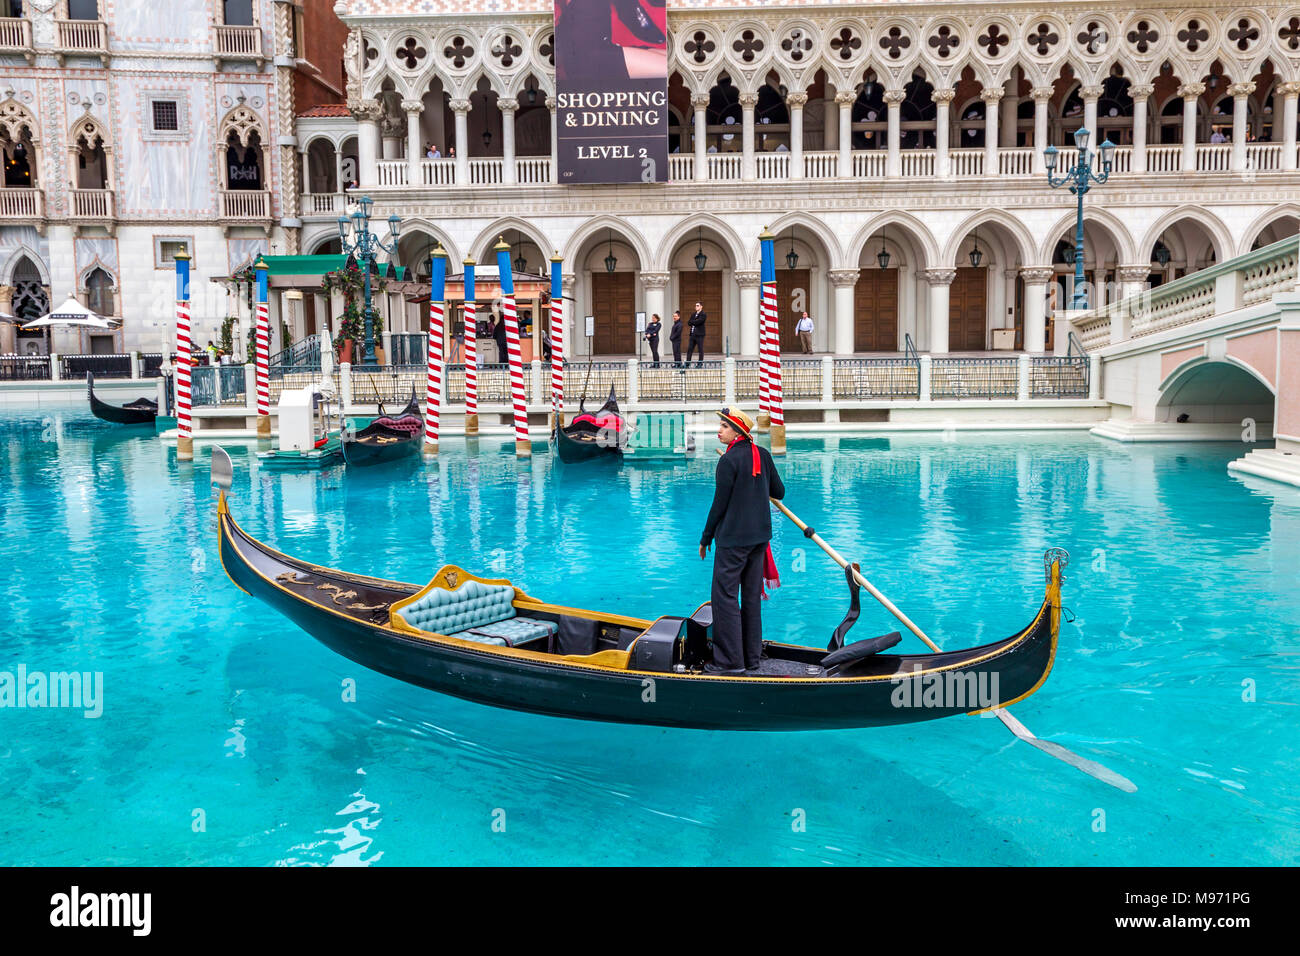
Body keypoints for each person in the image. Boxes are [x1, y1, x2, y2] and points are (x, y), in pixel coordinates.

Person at [699, 407, 785, 675]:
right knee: (750, 598)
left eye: (724, 426)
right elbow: (779, 492)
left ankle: (730, 663)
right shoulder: (763, 454)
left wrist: (706, 537)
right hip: (759, 539)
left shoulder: (728, 461)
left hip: (733, 541)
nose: (719, 431)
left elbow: (719, 505)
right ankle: (752, 658)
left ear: (738, 431)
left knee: (724, 598)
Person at [686, 301, 706, 366]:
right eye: (696, 305)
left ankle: (700, 364)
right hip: (692, 335)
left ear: (701, 307)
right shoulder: (693, 314)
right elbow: (689, 322)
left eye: (697, 305)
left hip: (699, 335)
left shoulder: (703, 314)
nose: (696, 307)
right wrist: (694, 321)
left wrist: (693, 321)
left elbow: (699, 321)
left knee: (700, 350)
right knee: (689, 350)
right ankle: (687, 364)